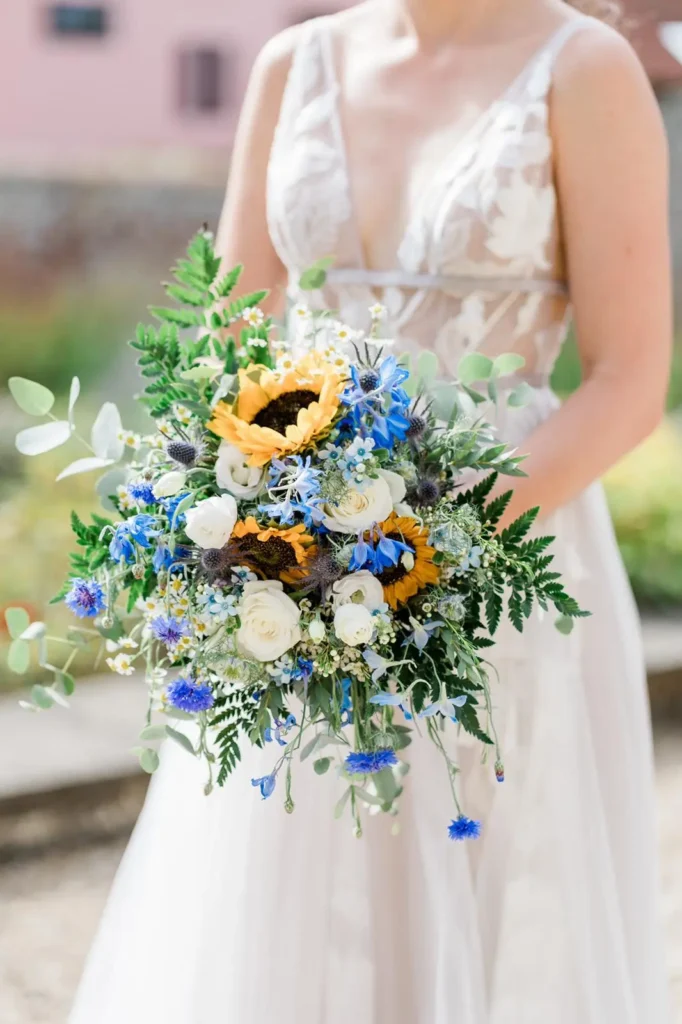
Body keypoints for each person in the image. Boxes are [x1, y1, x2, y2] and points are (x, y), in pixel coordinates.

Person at [70, 1, 672, 1020]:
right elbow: (230, 339)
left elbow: (627, 378)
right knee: (288, 884)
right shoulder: (290, 64)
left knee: (492, 886)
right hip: (295, 563)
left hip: (506, 559)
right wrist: (244, 520)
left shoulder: (586, 68)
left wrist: (427, 540)